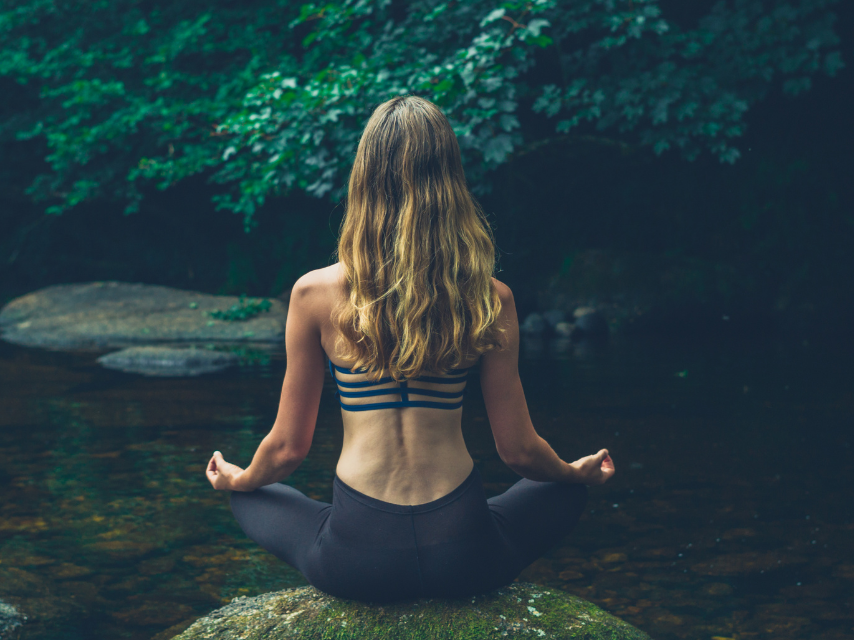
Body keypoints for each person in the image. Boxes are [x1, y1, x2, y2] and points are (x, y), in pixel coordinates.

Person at [205, 95, 614, 603]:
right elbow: (519, 452)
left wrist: (239, 481)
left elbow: (288, 450)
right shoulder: (490, 297)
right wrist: (572, 472)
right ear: (450, 183)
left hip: (356, 559)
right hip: (463, 553)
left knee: (253, 495)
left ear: (364, 180)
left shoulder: (312, 294)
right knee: (565, 489)